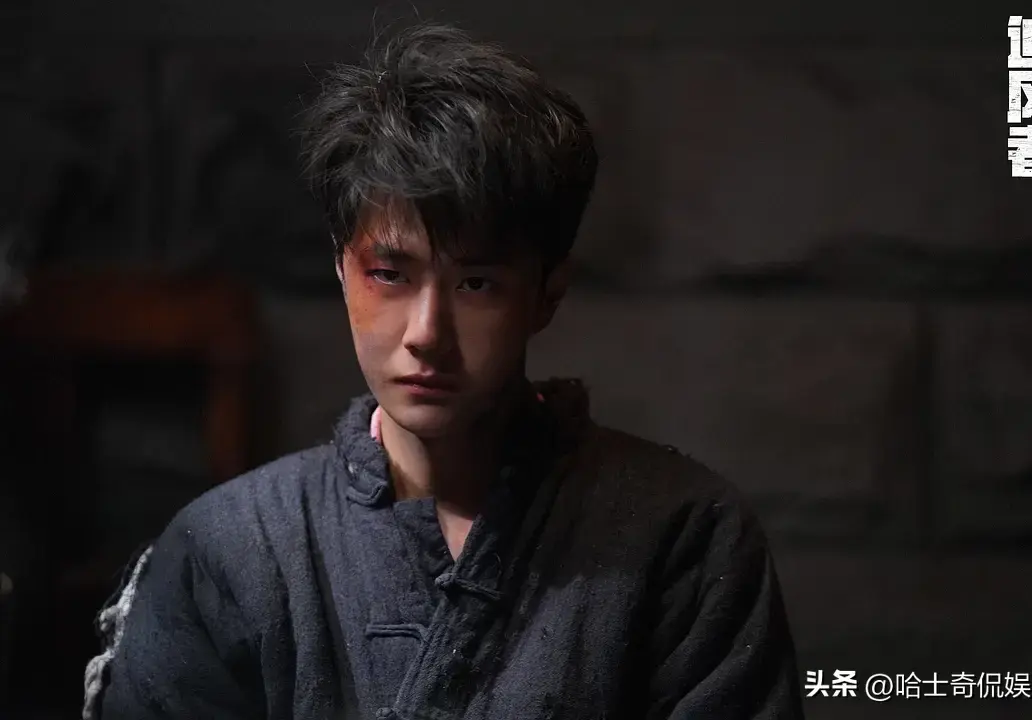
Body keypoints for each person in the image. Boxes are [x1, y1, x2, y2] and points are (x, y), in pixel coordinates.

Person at [85, 23, 804, 720]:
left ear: (547, 292)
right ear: (343, 271)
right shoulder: (229, 548)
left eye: (477, 283)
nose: (427, 334)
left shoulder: (681, 536)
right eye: (389, 275)